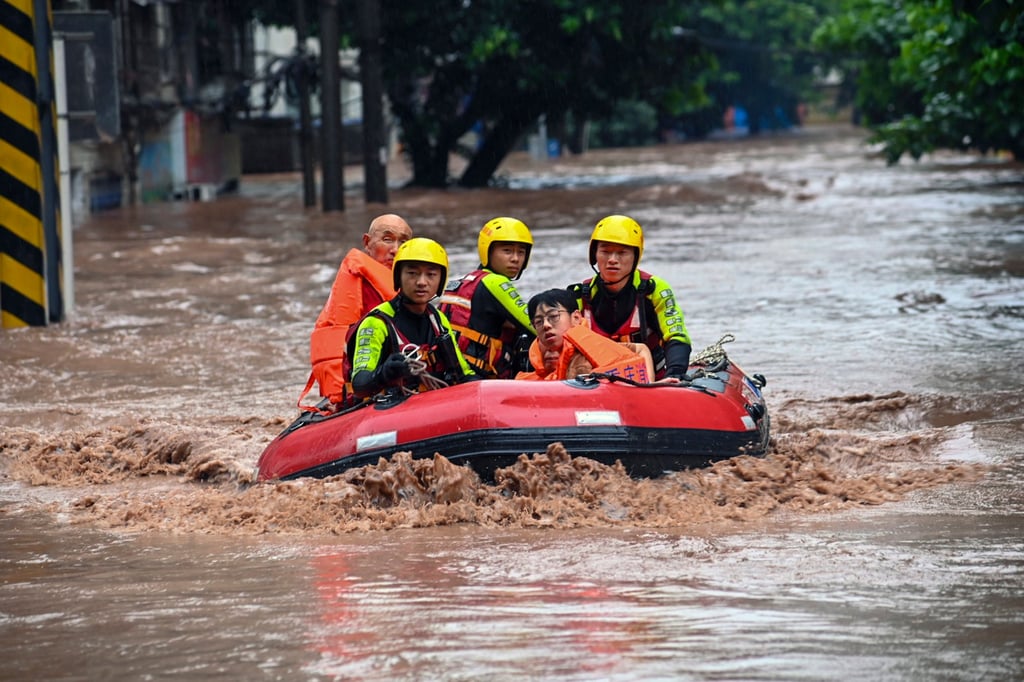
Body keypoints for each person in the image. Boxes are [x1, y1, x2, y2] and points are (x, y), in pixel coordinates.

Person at [301, 214, 413, 407]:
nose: (395, 250)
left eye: (403, 242)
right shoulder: (360, 285)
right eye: (387, 240)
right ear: (367, 243)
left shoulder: (413, 287)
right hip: (362, 388)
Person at [347, 237, 477, 398]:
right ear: (398, 277)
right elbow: (360, 385)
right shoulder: (376, 323)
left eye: (431, 274)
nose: (422, 282)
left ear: (441, 280)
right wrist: (384, 373)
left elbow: (463, 372)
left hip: (434, 405)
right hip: (388, 410)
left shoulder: (438, 319)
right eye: (412, 273)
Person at [568, 215, 692, 380]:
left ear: (635, 257)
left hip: (651, 380)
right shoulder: (578, 295)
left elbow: (676, 335)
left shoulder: (654, 290)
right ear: (594, 255)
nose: (612, 260)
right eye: (605, 251)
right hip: (593, 383)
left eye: (622, 253)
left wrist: (676, 374)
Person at [438, 217, 536, 378]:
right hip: (480, 379)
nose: (515, 259)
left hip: (451, 374)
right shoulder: (495, 283)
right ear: (487, 251)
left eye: (521, 252)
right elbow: (534, 325)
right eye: (507, 251)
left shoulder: (464, 282)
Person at [516, 289, 658, 383]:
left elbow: (640, 349)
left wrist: (648, 386)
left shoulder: (592, 350)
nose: (546, 325)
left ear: (576, 318)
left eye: (553, 316)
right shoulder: (539, 362)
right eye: (539, 321)